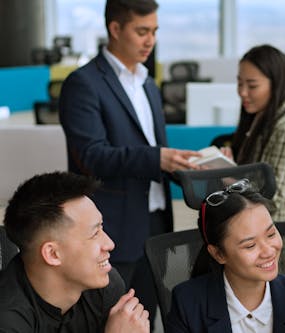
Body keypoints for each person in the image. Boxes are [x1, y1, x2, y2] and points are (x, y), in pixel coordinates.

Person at [59, 0, 199, 328]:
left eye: (154, 31)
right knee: (110, 322)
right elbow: (91, 156)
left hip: (156, 223)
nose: (150, 40)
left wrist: (187, 166)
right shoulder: (84, 83)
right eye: (142, 31)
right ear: (115, 28)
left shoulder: (149, 84)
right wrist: (158, 157)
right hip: (112, 230)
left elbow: (154, 153)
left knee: (145, 319)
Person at [166, 179, 285, 332]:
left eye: (270, 234)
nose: (269, 251)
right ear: (218, 254)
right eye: (250, 245)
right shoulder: (188, 303)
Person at [0, 171, 149, 332]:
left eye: (102, 227)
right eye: (94, 234)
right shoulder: (9, 322)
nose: (110, 244)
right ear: (52, 254)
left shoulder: (104, 287)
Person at [221, 44, 285, 223]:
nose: (242, 92)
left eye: (252, 86)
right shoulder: (255, 121)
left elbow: (273, 199)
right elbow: (252, 179)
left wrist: (228, 179)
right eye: (239, 83)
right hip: (249, 227)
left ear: (276, 86)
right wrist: (230, 166)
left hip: (277, 235)